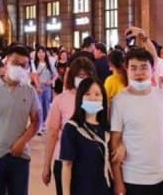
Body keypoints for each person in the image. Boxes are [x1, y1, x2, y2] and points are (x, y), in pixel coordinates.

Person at [109, 47, 163, 195]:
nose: (139, 73)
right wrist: (118, 183)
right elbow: (115, 142)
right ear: (126, 70)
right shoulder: (119, 101)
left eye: (144, 67)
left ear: (152, 69)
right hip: (133, 179)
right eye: (133, 68)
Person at [0, 44, 40, 195]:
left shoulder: (29, 91)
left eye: (24, 65)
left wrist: (21, 142)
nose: (20, 68)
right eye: (16, 64)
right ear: (6, 63)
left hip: (20, 157)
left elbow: (36, 121)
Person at [42, 56, 97, 195]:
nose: (83, 79)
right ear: (73, 76)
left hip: (92, 160)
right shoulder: (61, 99)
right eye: (80, 76)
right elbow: (53, 133)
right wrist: (46, 165)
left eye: (87, 76)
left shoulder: (99, 97)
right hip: (64, 160)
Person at [59, 78, 111, 195]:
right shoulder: (72, 128)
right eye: (87, 94)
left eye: (97, 94)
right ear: (80, 98)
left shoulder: (106, 129)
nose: (93, 98)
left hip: (104, 188)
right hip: (81, 189)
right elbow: (67, 165)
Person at [31, 47, 55, 131]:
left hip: (47, 87)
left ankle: (45, 123)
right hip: (37, 87)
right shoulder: (34, 64)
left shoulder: (49, 64)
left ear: (45, 54)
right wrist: (36, 85)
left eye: (43, 52)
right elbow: (32, 76)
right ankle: (39, 125)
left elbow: (55, 74)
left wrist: (51, 81)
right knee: (39, 106)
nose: (41, 54)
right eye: (39, 52)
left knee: (46, 105)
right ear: (36, 54)